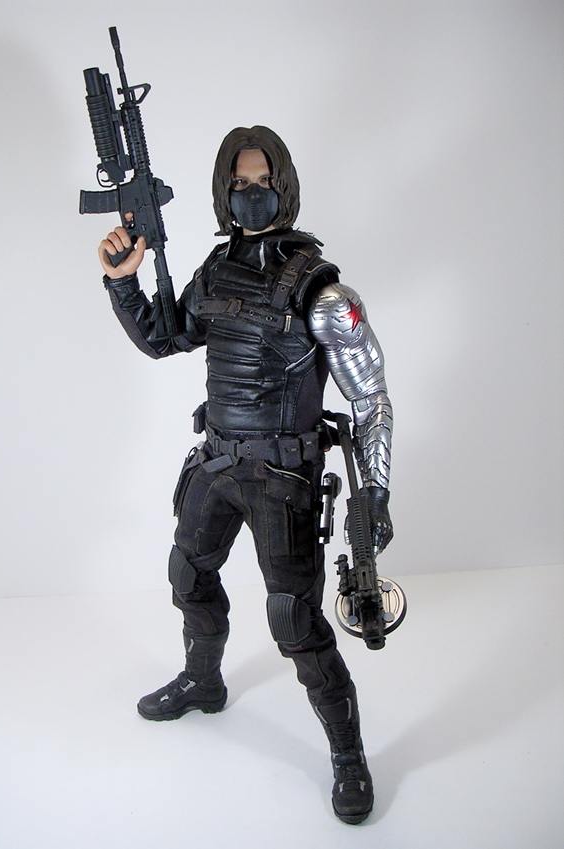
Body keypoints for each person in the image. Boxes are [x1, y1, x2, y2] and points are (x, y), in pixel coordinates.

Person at [97, 126, 393, 825]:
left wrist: (376, 492)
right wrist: (123, 279)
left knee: (295, 621)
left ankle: (348, 755)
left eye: (262, 183)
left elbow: (371, 398)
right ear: (222, 191)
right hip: (217, 461)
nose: (250, 194)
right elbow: (165, 337)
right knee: (187, 574)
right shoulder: (214, 270)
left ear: (283, 187)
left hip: (283, 478)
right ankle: (203, 681)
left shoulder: (323, 293)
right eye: (238, 184)